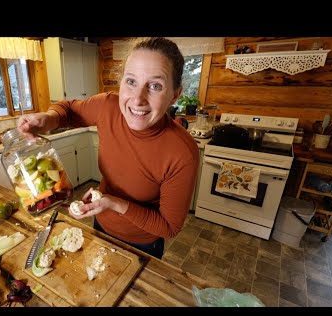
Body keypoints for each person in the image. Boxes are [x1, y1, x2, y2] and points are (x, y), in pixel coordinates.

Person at [17, 37, 199, 259]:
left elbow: (169, 227)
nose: (138, 99)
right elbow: (67, 109)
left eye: (155, 86)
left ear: (174, 95)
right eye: (131, 81)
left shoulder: (182, 152)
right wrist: (48, 119)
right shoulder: (108, 107)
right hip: (99, 226)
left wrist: (113, 203)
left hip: (141, 246)